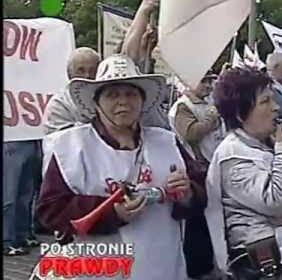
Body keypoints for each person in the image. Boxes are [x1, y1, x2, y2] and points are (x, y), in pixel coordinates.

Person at [36, 54, 193, 279]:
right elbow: (50, 209)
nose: (123, 102)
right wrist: (111, 213)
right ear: (97, 103)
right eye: (112, 95)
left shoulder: (166, 141)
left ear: (142, 100)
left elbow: (199, 191)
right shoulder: (69, 147)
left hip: (162, 263)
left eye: (131, 94)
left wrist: (186, 193)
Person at [205, 68, 282, 280]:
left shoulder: (273, 144)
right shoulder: (233, 156)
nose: (276, 107)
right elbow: (275, 201)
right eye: (265, 102)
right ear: (240, 114)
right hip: (265, 263)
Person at [168, 73, 226, 279]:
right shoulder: (183, 107)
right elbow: (192, 133)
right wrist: (211, 119)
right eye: (204, 81)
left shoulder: (209, 103)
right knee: (198, 225)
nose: (209, 86)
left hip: (214, 169)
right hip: (196, 174)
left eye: (211, 81)